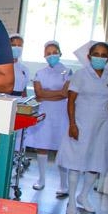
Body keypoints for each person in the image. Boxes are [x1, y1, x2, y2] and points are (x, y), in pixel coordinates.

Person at [57, 41, 108, 214]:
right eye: (96, 54)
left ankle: (83, 196)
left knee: (96, 161)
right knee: (75, 162)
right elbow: (71, 100)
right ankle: (71, 201)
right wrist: (72, 124)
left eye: (103, 55)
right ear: (89, 56)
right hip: (81, 123)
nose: (99, 58)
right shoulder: (80, 75)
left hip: (102, 124)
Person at [24, 41, 72, 196]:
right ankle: (41, 179)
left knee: (62, 147)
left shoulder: (68, 72)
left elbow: (66, 94)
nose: (52, 55)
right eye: (48, 53)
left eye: (54, 52)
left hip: (62, 112)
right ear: (44, 55)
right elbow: (38, 94)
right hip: (45, 111)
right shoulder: (40, 73)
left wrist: (47, 93)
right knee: (42, 145)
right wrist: (56, 93)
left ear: (60, 53)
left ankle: (63, 185)